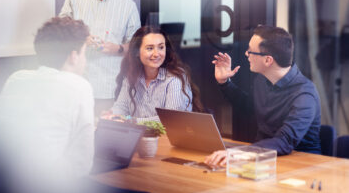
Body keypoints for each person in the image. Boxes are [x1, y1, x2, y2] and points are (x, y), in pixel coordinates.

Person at [0, 17, 94, 193]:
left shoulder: (16, 77)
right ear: (74, 56)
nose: (84, 61)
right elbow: (81, 166)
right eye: (84, 53)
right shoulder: (79, 85)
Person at [205, 25, 321, 167]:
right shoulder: (262, 80)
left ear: (268, 60)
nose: (246, 54)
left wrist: (239, 153)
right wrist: (224, 82)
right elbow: (248, 106)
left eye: (250, 51)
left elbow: (284, 141)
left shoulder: (305, 95)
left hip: (300, 166)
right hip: (263, 160)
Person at [59, 0, 141, 118]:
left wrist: (116, 48)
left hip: (108, 88)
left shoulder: (128, 6)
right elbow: (59, 31)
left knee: (103, 135)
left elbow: (137, 47)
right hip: (75, 81)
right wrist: (80, 36)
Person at [108, 26, 203, 122]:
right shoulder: (131, 76)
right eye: (150, 48)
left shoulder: (175, 79)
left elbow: (171, 120)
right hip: (139, 135)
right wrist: (112, 115)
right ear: (137, 52)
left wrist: (132, 121)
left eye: (161, 47)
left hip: (168, 137)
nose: (156, 54)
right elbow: (121, 107)